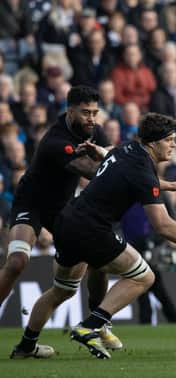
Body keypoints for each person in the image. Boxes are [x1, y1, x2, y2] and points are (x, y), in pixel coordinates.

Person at [10, 113, 176, 359]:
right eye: (169, 140)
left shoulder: (126, 148)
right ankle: (90, 326)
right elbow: (163, 226)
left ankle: (26, 346)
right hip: (92, 229)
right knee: (144, 277)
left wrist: (172, 185)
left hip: (66, 222)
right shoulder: (142, 169)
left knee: (62, 290)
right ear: (153, 143)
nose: (173, 145)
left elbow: (134, 176)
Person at [0, 85, 116, 358]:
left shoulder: (94, 132)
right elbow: (90, 171)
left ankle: (95, 325)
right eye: (85, 112)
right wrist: (111, 158)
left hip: (62, 211)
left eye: (95, 113)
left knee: (96, 262)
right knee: (17, 262)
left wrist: (108, 151)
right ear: (70, 110)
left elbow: (111, 152)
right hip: (31, 205)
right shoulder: (54, 141)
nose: (91, 118)